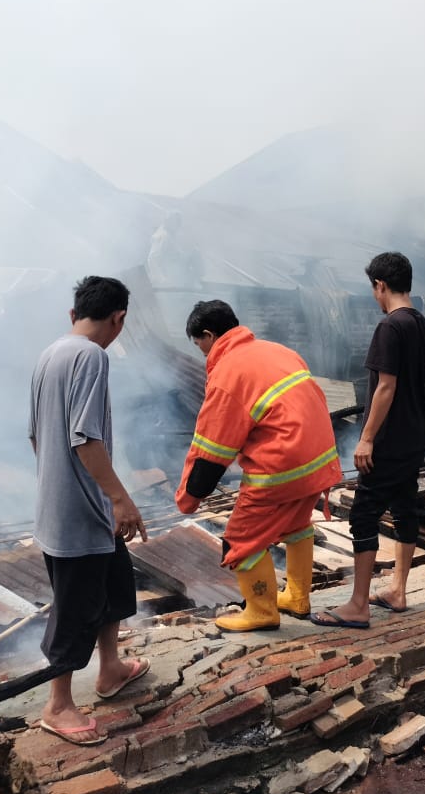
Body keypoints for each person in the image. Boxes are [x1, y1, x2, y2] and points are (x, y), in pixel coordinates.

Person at [29, 275, 149, 747]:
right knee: (75, 609)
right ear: (119, 318)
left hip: (71, 506)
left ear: (73, 314)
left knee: (115, 585)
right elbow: (86, 437)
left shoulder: (49, 354)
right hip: (79, 513)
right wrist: (119, 496)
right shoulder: (91, 356)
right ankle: (58, 705)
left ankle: (111, 669)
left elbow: (37, 436)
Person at [177, 300, 342, 631]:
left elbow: (212, 449)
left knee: (240, 540)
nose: (202, 354)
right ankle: (297, 596)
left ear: (208, 335)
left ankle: (262, 611)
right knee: (296, 525)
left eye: (200, 345)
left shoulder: (227, 373)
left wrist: (191, 496)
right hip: (319, 460)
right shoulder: (277, 350)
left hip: (282, 466)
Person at [312, 252, 425, 628]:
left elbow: (386, 387)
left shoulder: (390, 327)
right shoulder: (423, 325)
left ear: (380, 285)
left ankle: (358, 604)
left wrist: (366, 439)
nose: (374, 296)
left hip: (391, 439)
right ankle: (397, 589)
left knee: (363, 514)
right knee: (404, 506)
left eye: (373, 289)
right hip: (416, 435)